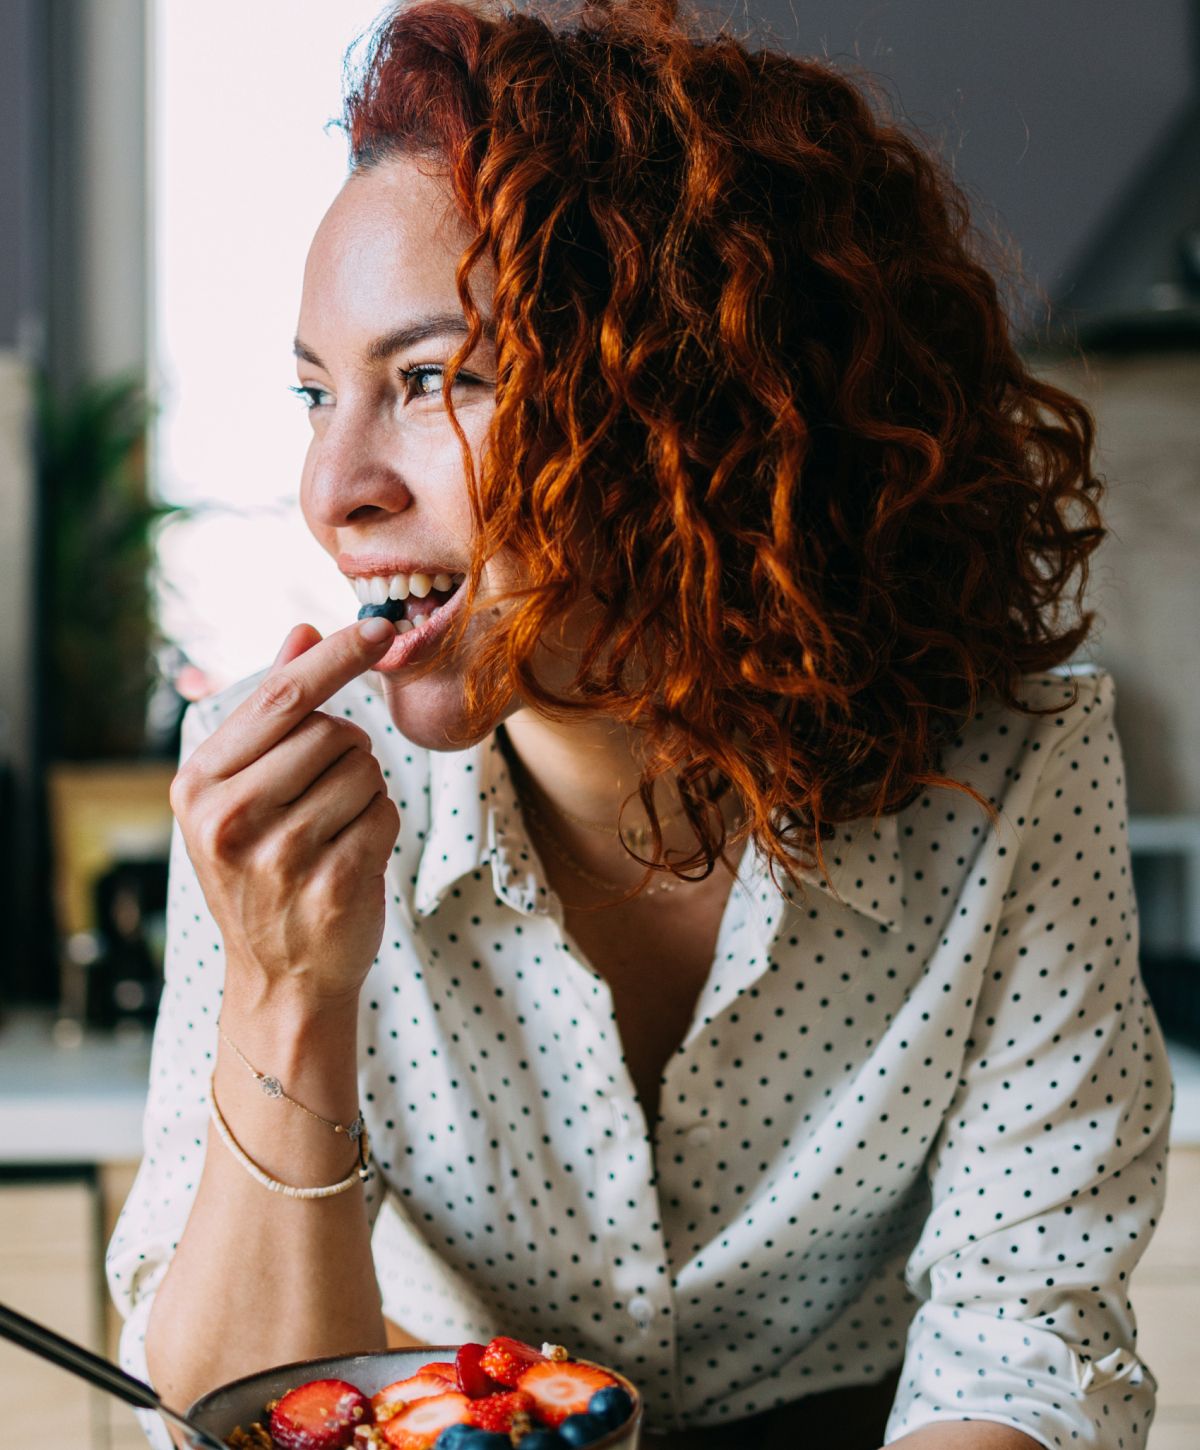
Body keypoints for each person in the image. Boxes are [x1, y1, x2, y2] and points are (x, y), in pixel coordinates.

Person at [107, 1, 1173, 1446]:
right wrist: (287, 983)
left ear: (691, 397)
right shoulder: (270, 803)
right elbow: (230, 1410)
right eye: (315, 393)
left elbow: (1022, 1345)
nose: (331, 487)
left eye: (427, 380)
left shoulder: (1010, 772)